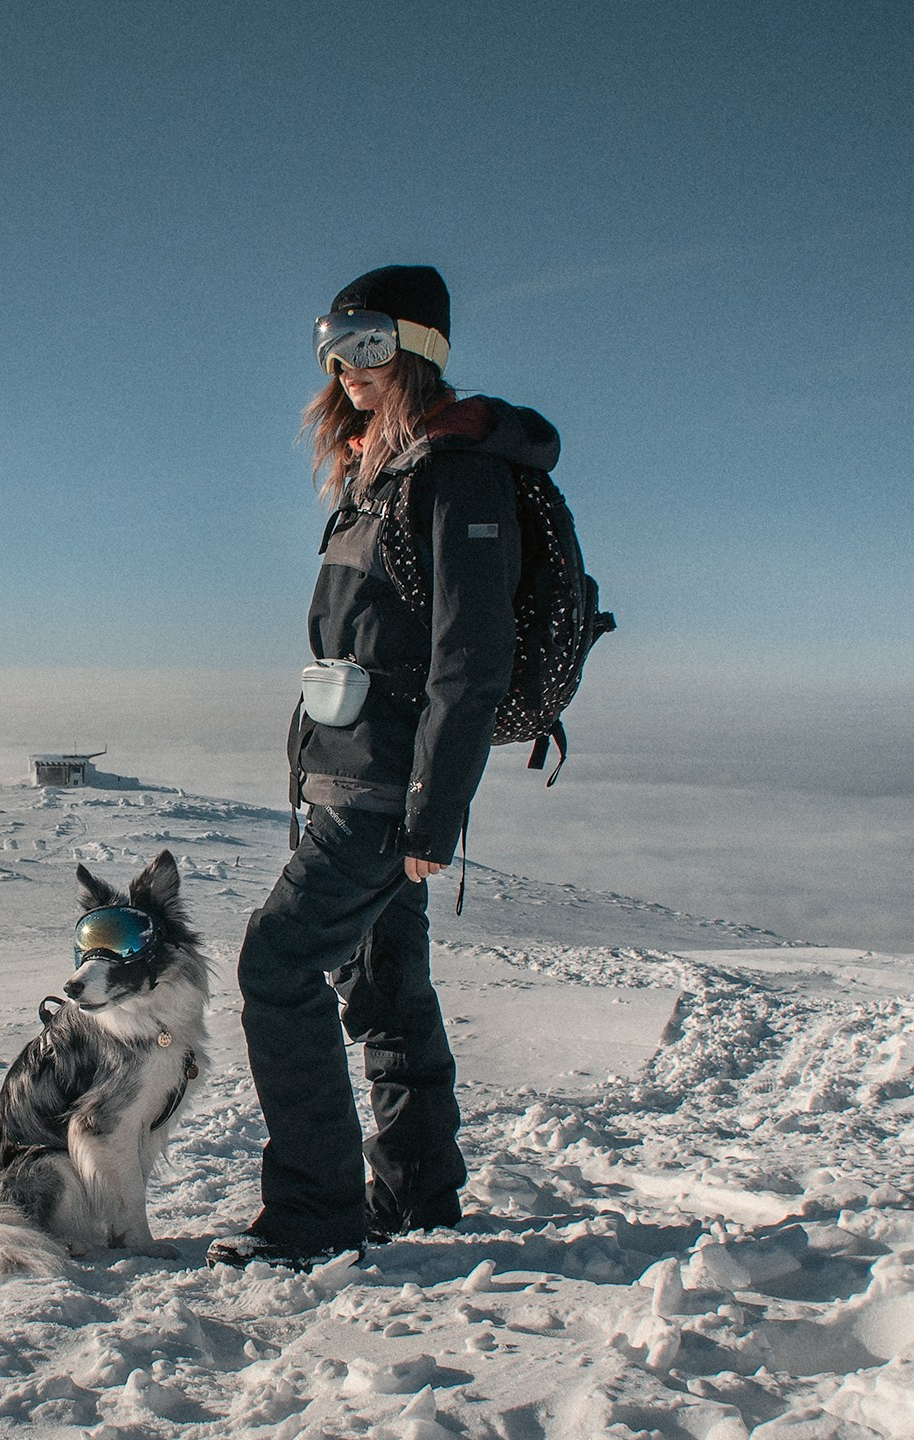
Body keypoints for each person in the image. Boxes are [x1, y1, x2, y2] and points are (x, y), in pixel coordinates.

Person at [210, 264, 561, 1269]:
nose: (346, 365)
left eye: (368, 341)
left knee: (277, 965)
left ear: (420, 348)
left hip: (386, 785)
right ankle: (417, 1196)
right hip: (351, 768)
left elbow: (471, 656)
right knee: (386, 987)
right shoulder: (383, 474)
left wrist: (433, 814)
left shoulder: (458, 474)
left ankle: (315, 1218)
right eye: (332, 345)